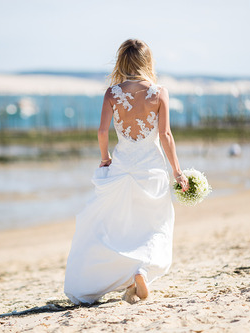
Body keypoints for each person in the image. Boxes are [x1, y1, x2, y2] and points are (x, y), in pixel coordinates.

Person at [64, 39, 189, 304]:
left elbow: (101, 131)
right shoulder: (159, 92)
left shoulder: (112, 93)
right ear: (147, 61)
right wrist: (177, 172)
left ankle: (124, 273)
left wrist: (105, 158)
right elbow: (165, 135)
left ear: (122, 61)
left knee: (116, 223)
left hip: (122, 165)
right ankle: (142, 270)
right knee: (155, 224)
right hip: (151, 167)